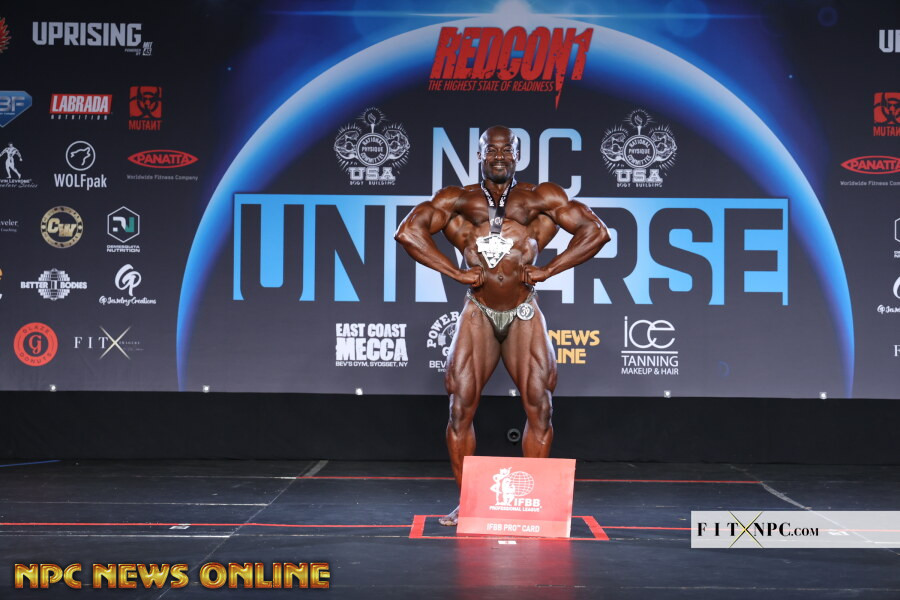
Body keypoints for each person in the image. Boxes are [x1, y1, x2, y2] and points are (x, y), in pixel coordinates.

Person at [395, 126, 610, 526]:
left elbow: (596, 231)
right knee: (460, 406)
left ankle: (534, 502)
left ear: (517, 155)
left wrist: (549, 269)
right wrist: (454, 272)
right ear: (479, 154)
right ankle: (468, 503)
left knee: (540, 405)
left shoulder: (541, 197)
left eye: (506, 150)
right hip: (478, 308)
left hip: (523, 308)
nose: (499, 156)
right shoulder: (457, 199)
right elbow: (407, 231)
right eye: (491, 150)